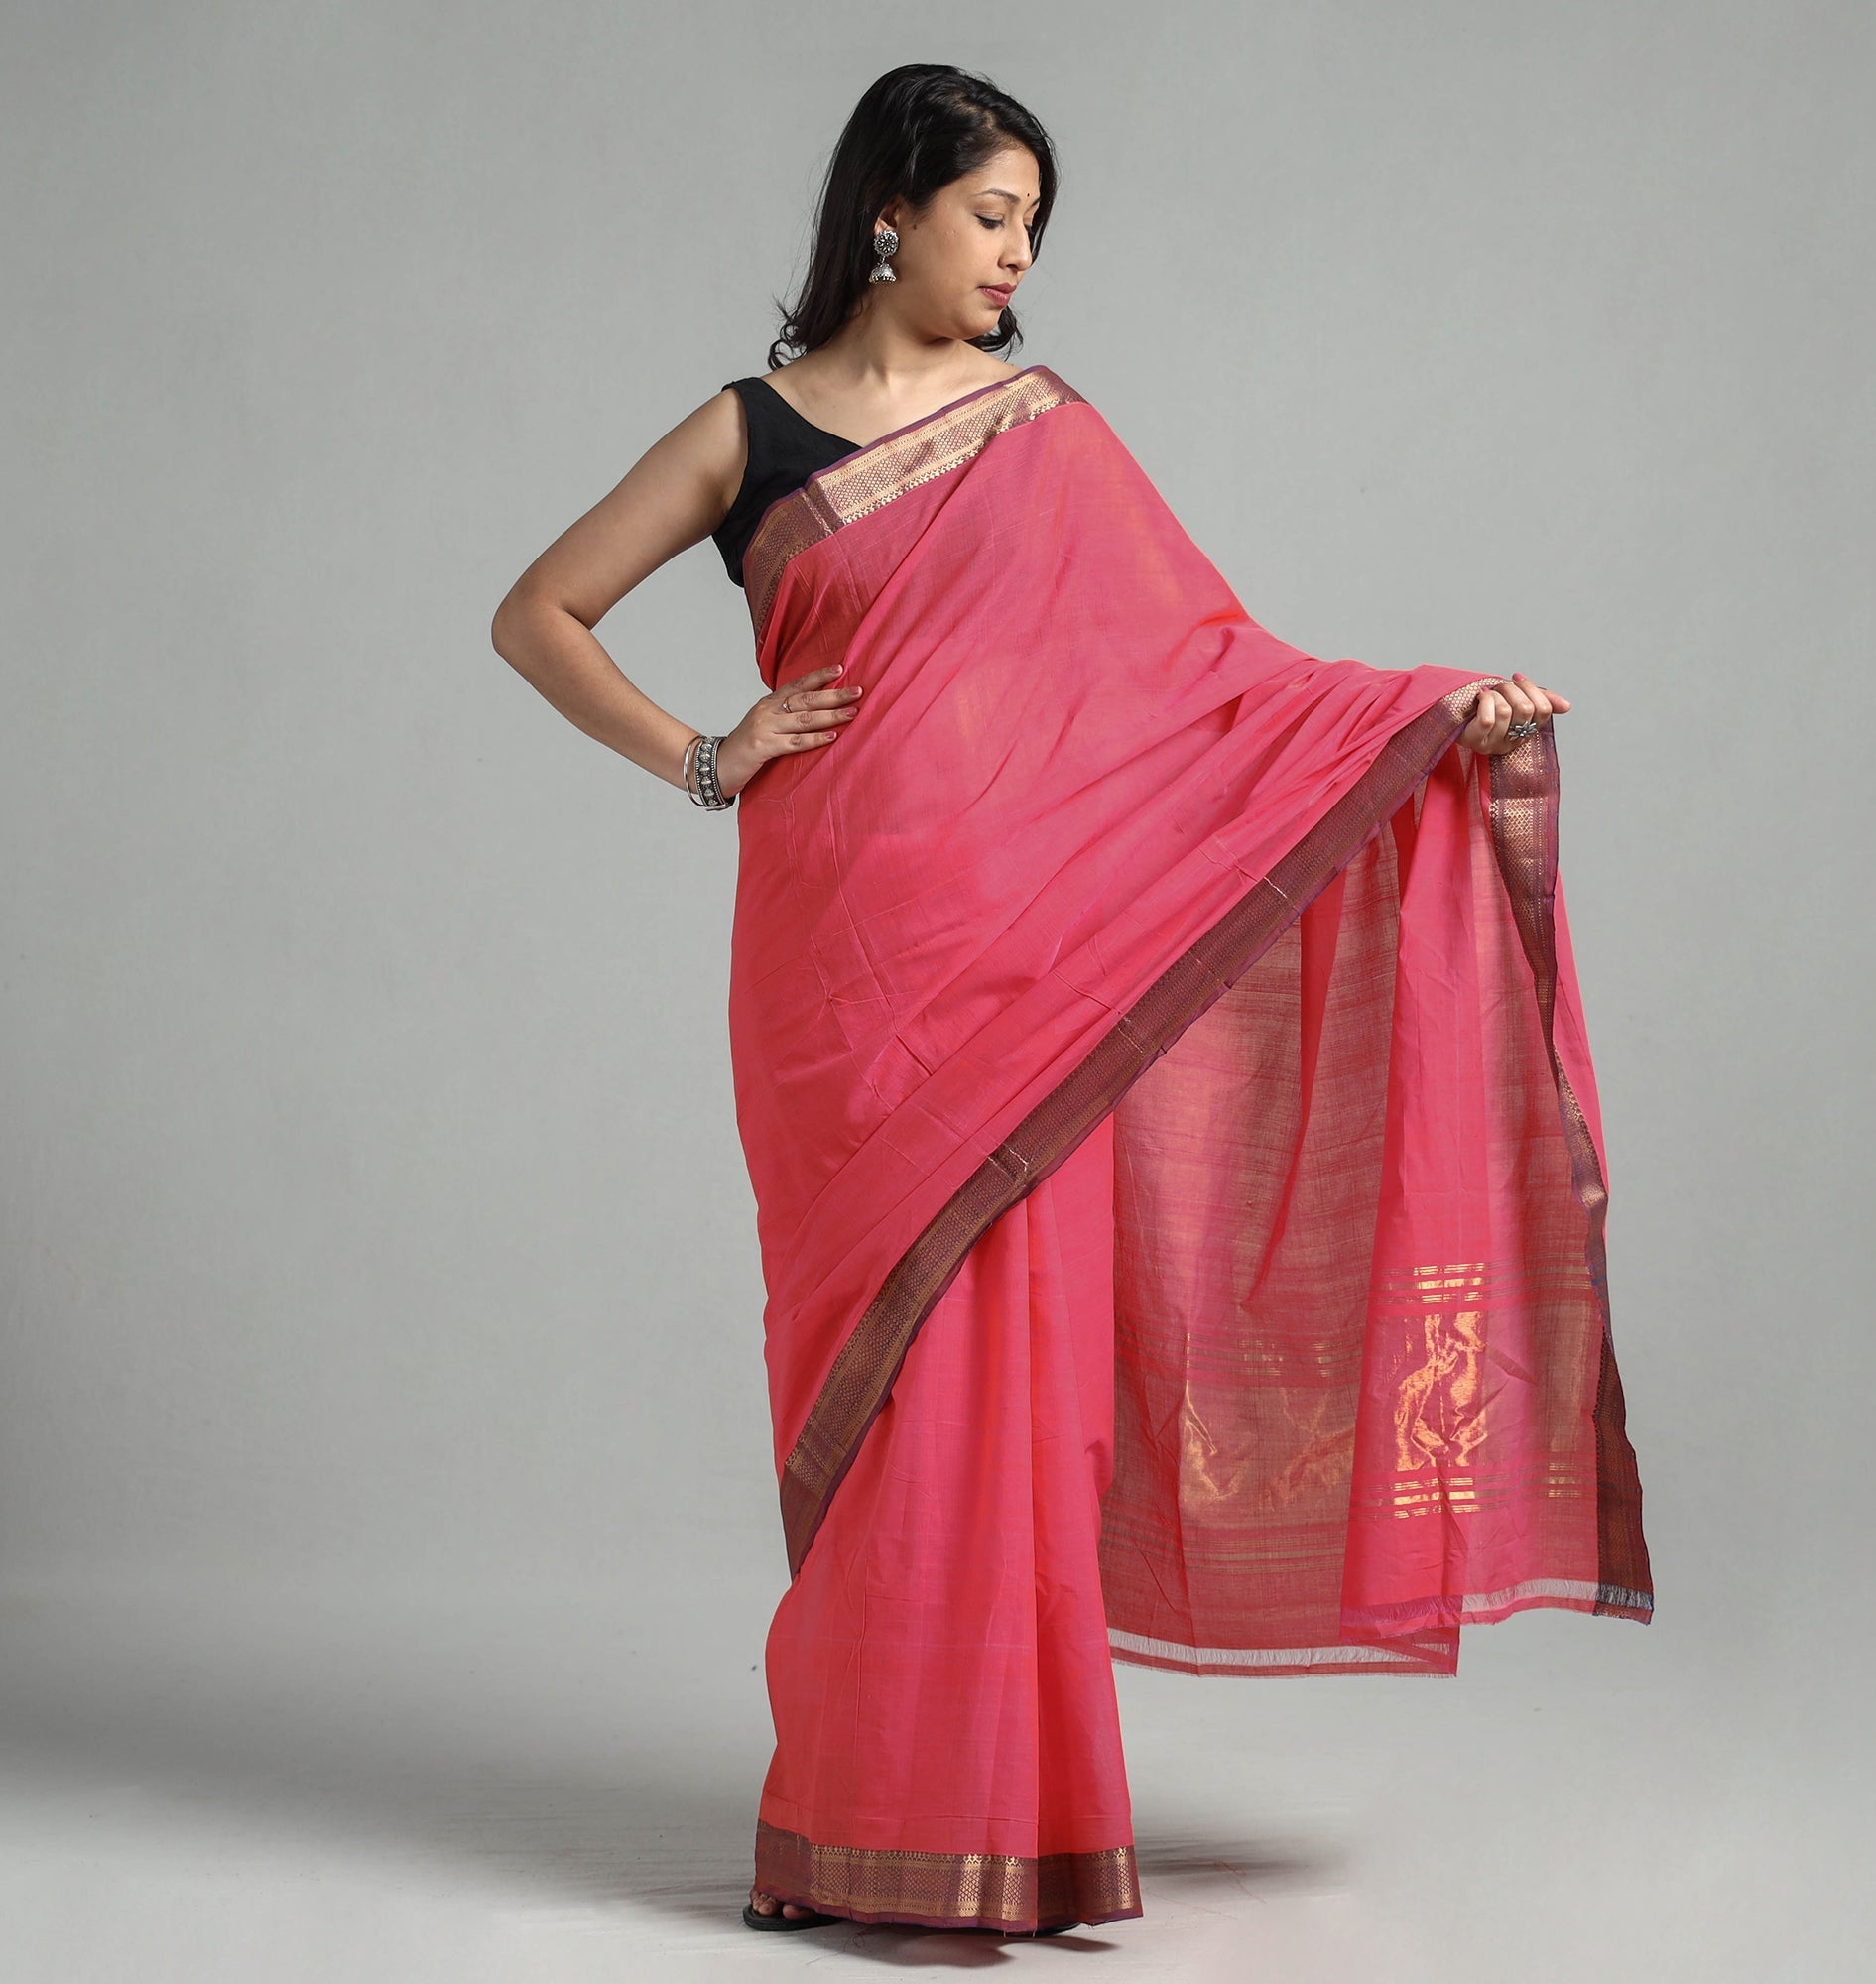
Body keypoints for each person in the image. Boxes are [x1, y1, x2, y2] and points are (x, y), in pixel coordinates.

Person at [490, 62, 1653, 1943]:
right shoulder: (747, 435)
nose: (1019, 254)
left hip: (1035, 961)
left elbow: (1215, 677)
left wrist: (1433, 711)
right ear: (890, 214)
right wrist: (708, 754)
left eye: (1035, 224)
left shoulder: (1045, 434)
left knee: (1012, 1379)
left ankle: (993, 1823)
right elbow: (537, 612)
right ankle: (857, 1813)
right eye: (991, 214)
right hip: (840, 967)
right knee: (880, 1381)